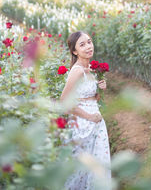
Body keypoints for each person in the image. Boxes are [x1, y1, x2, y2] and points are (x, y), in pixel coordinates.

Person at [60, 31, 111, 190]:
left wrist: (101, 90)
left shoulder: (91, 68)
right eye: (82, 44)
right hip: (82, 123)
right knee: (81, 168)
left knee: (98, 166)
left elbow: (92, 98)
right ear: (74, 51)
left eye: (89, 42)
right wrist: (89, 116)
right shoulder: (77, 71)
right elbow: (64, 102)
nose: (88, 46)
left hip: (96, 121)